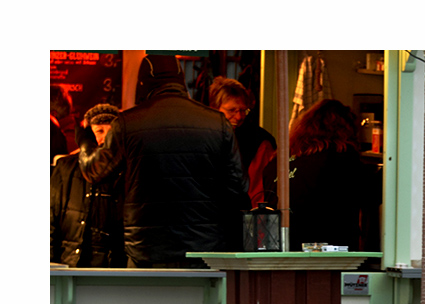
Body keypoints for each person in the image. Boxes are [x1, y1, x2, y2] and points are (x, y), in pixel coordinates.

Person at [79, 54, 248, 268]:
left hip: (146, 249)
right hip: (205, 247)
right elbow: (238, 188)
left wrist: (84, 141)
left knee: (146, 302)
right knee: (201, 302)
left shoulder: (127, 123)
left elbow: (95, 171)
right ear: (180, 80)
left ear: (143, 82)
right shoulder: (217, 123)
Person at [263, 99, 378, 252]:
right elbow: (371, 195)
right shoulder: (340, 156)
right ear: (345, 129)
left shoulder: (277, 161)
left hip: (279, 251)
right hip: (324, 254)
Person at [50, 103, 125, 267]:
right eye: (99, 131)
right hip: (71, 262)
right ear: (88, 134)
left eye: (110, 131)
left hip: (113, 265)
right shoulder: (65, 167)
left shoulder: (127, 169)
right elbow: (51, 219)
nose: (105, 138)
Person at [208, 76, 276, 206]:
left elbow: (258, 194)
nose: (239, 116)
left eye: (243, 111)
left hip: (244, 217)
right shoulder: (204, 136)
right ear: (214, 108)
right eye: (232, 110)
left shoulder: (259, 141)